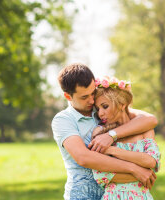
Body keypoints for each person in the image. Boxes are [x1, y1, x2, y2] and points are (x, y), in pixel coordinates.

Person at [52, 63, 158, 200]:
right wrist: (134, 169)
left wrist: (111, 135)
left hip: (116, 194)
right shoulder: (64, 120)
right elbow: (84, 158)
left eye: (92, 93)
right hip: (83, 195)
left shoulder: (102, 108)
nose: (91, 100)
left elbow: (150, 120)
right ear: (68, 96)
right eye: (84, 97)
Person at [92, 76, 161, 200]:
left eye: (105, 106)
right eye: (98, 109)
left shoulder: (145, 129)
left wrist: (112, 150)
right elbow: (100, 175)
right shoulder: (100, 133)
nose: (100, 113)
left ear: (122, 104)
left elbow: (151, 161)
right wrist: (140, 170)